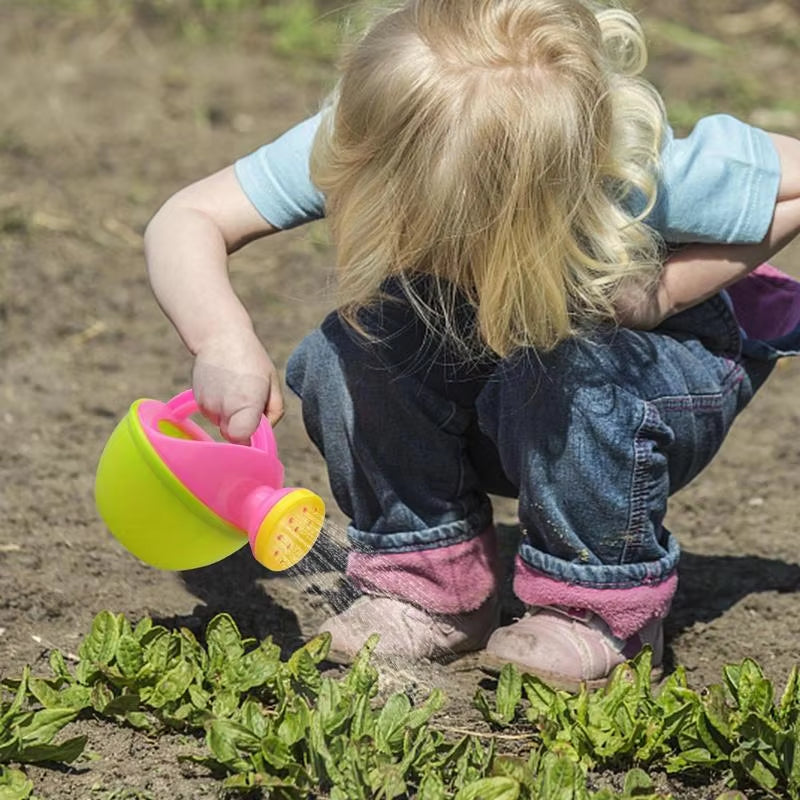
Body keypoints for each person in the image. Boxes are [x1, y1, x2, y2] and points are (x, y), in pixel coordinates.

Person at [144, 0, 800, 690]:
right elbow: (188, 217)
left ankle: (600, 610)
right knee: (353, 346)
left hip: (646, 370)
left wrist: (664, 291)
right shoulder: (379, 128)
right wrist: (220, 338)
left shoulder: (629, 166)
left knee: (571, 367)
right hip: (492, 349)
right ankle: (429, 582)